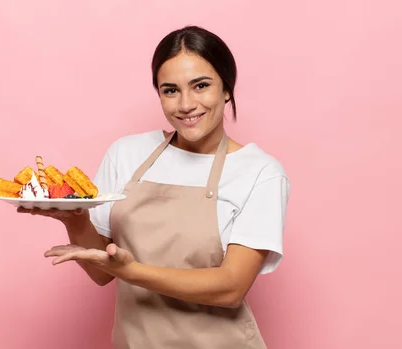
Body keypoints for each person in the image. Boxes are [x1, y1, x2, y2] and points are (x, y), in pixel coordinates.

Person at [18, 25, 290, 349]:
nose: (186, 104)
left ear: (226, 89)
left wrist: (133, 272)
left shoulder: (259, 172)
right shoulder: (127, 153)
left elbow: (230, 288)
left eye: (201, 86)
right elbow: (102, 272)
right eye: (170, 90)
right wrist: (74, 219)